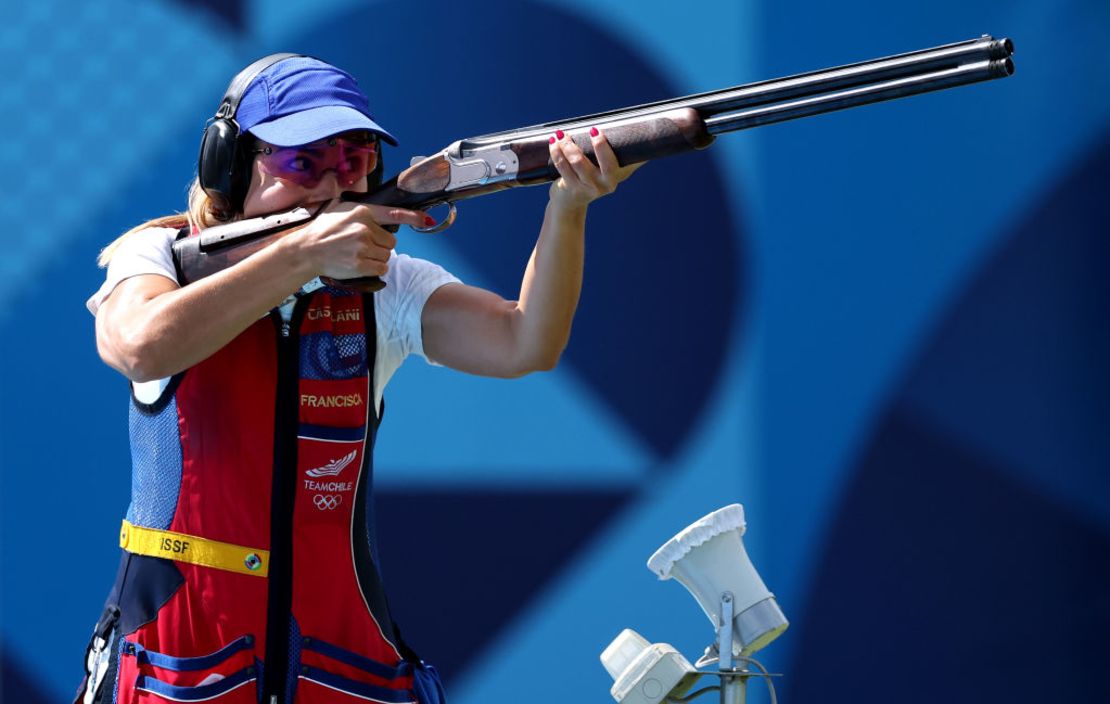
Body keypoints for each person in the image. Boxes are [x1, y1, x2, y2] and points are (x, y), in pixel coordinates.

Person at [77, 55, 639, 704]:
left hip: (339, 668)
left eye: (353, 161)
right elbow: (143, 345)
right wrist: (306, 252)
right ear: (229, 165)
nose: (328, 187)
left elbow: (523, 343)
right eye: (302, 162)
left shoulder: (383, 286)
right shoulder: (157, 257)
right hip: (181, 666)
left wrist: (568, 208)